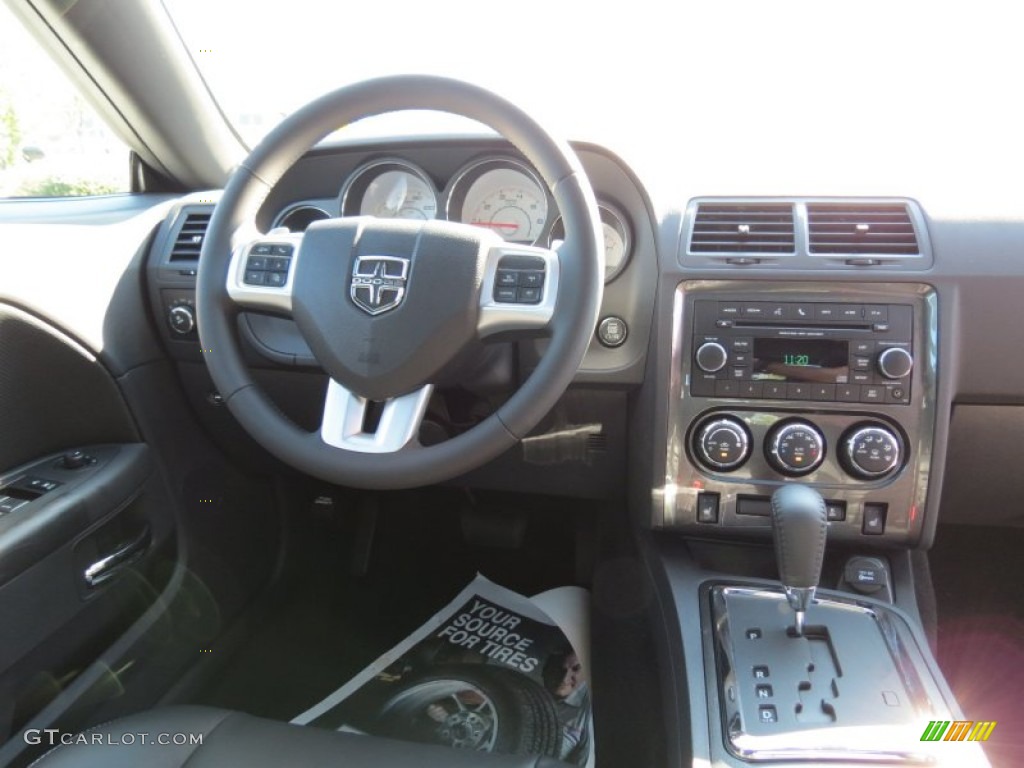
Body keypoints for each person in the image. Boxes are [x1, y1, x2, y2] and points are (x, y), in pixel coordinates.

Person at [542, 649, 591, 765]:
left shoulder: (588, 709)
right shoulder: (545, 692)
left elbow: (586, 760)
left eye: (576, 669)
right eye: (562, 669)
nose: (565, 678)